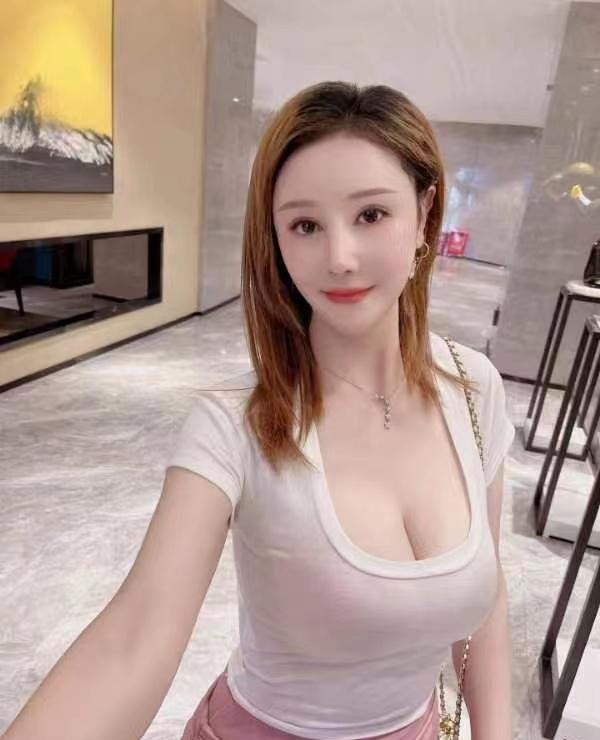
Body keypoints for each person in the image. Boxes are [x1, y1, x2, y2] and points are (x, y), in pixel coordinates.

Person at [2, 81, 515, 740]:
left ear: (424, 214)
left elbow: (484, 599)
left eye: (370, 215)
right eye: (305, 225)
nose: (339, 258)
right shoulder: (236, 425)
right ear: (274, 238)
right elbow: (133, 639)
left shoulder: (473, 389)